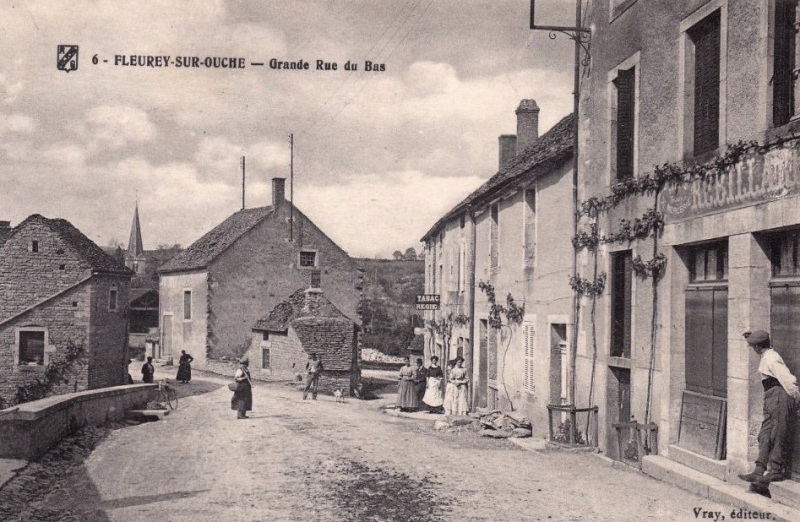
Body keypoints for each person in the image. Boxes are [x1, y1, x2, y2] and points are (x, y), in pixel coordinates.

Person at [737, 330, 799, 484]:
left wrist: (796, 398)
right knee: (764, 434)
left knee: (778, 433)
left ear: (759, 347)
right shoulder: (767, 357)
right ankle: (759, 470)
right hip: (772, 397)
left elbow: (788, 380)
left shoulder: (771, 358)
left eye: (753, 346)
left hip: (779, 396)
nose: (753, 350)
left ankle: (776, 470)